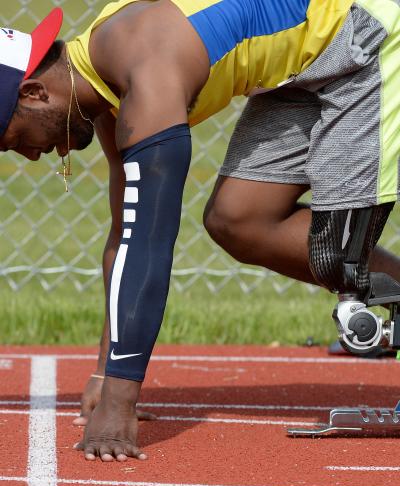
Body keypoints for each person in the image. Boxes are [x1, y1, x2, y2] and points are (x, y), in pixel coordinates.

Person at [1, 0, 400, 462]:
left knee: (340, 258)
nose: (29, 156)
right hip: (301, 66)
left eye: (13, 139)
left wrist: (119, 402)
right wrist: (106, 370)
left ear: (32, 93)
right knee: (239, 220)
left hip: (363, 39)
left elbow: (150, 238)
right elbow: (124, 234)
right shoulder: (105, 86)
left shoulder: (145, 70)